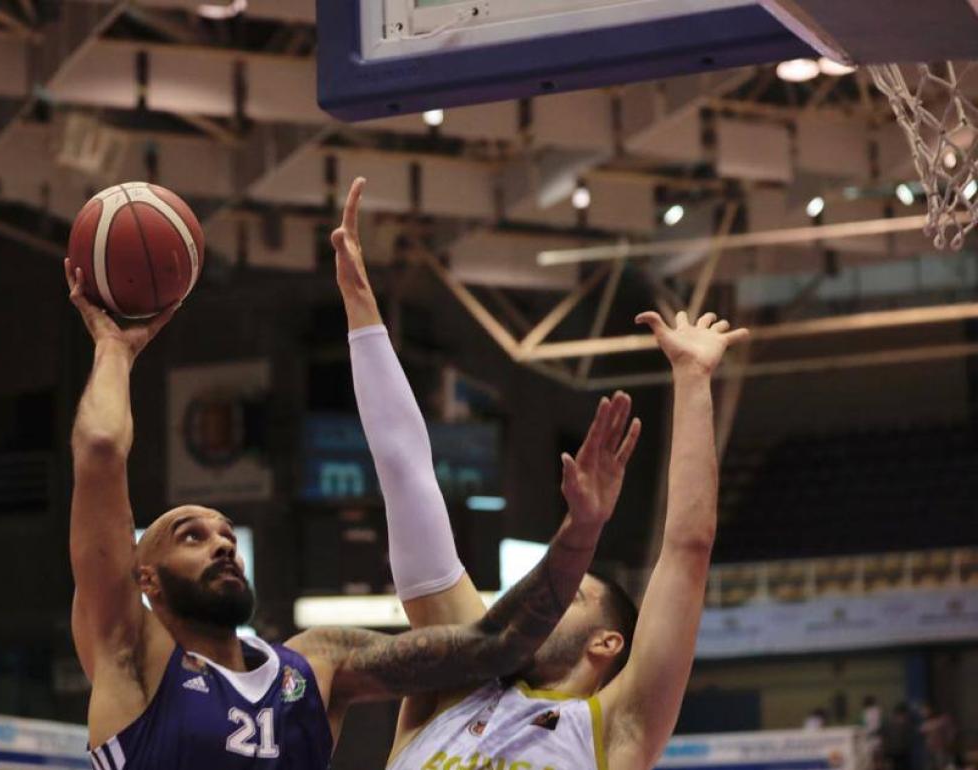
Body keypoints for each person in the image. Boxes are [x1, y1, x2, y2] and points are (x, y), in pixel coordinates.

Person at [62, 254, 627, 770]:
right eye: (191, 536)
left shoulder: (318, 662)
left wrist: (580, 531)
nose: (222, 543)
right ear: (145, 579)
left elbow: (494, 644)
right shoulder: (130, 652)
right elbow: (101, 449)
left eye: (225, 533)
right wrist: (114, 349)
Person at [329, 177, 749, 770]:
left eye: (568, 597)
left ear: (607, 643)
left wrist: (693, 378)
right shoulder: (454, 681)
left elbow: (687, 548)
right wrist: (361, 308)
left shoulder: (616, 729)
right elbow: (405, 473)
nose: (537, 604)